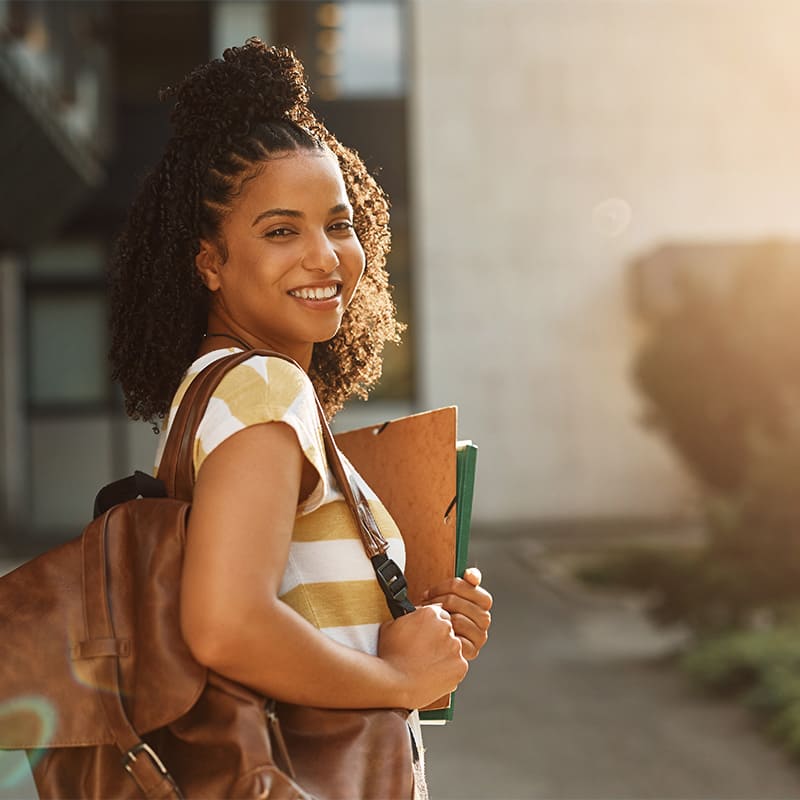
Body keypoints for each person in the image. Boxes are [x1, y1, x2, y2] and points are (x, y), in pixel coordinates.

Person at [108, 39, 492, 797]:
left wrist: (424, 633)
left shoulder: (216, 394)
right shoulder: (263, 390)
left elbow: (298, 618)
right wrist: (394, 679)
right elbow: (225, 625)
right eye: (281, 231)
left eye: (340, 224)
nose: (324, 257)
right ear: (209, 262)